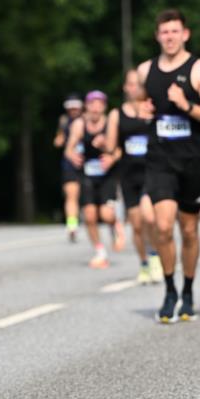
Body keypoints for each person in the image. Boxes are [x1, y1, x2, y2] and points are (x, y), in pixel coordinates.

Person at [136, 9, 200, 324]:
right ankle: (169, 289)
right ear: (157, 36)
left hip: (192, 160)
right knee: (162, 225)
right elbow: (139, 102)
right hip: (159, 158)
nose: (170, 37)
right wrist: (142, 109)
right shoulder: (145, 70)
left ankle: (188, 290)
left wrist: (186, 105)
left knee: (188, 229)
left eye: (175, 31)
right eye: (164, 32)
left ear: (185, 34)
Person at [106, 70, 161, 285]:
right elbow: (112, 146)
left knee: (150, 217)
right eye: (130, 84)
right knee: (137, 225)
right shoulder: (116, 114)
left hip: (152, 171)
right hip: (129, 175)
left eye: (138, 84)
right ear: (125, 88)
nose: (134, 88)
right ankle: (144, 263)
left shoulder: (153, 109)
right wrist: (105, 145)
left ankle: (155, 256)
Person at [64, 90, 124, 268]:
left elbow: (121, 149)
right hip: (87, 174)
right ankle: (100, 251)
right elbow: (68, 149)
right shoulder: (79, 125)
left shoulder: (111, 124)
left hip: (107, 175)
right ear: (87, 106)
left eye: (100, 104)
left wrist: (111, 157)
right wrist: (72, 156)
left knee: (106, 214)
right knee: (89, 216)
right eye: (92, 104)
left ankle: (114, 225)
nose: (96, 108)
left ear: (104, 107)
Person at [53, 94, 83, 242]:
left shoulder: (88, 120)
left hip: (88, 163)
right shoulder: (64, 121)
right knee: (71, 195)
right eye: (70, 108)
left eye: (75, 107)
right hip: (69, 163)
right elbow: (58, 141)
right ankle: (72, 226)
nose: (73, 110)